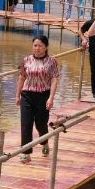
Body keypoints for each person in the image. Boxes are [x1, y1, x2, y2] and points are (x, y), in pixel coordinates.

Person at [15, 35, 62, 164]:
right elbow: (22, 78)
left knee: (41, 124)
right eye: (35, 45)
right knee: (26, 124)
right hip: (27, 95)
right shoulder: (26, 60)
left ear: (46, 47)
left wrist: (51, 98)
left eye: (40, 46)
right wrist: (17, 95)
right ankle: (26, 152)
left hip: (43, 95)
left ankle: (44, 142)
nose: (37, 48)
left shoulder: (51, 61)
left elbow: (54, 79)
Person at [78, 5, 95, 100]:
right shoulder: (91, 22)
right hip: (93, 50)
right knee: (94, 71)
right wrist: (83, 39)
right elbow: (81, 31)